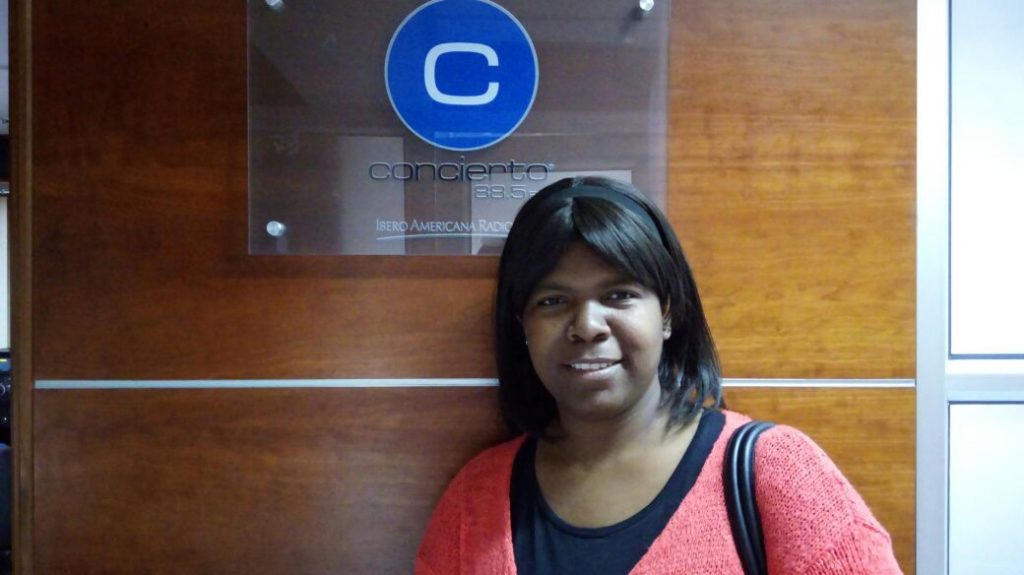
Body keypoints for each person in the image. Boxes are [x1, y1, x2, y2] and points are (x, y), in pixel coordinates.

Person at [415, 176, 902, 574]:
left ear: (667, 313)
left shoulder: (777, 473)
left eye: (619, 295)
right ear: (521, 324)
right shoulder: (476, 498)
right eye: (553, 300)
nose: (587, 326)